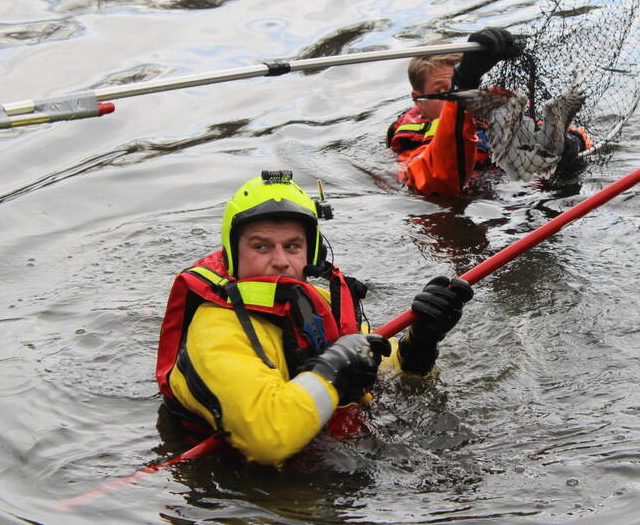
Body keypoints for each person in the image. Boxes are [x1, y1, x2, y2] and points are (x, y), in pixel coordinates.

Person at [155, 170, 472, 466]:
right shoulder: (216, 330)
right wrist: (332, 369)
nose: (280, 261)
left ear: (312, 254)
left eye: (292, 246)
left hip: (330, 461)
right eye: (261, 246)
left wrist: (420, 344)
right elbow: (268, 438)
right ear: (234, 253)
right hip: (233, 483)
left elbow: (387, 377)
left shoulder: (317, 303)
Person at [386, 27, 590, 195]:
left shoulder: (489, 114)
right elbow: (440, 179)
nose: (449, 96)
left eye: (453, 87)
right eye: (441, 91)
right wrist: (463, 84)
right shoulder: (411, 144)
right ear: (418, 99)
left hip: (513, 194)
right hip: (461, 206)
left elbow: (555, 131)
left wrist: (572, 141)